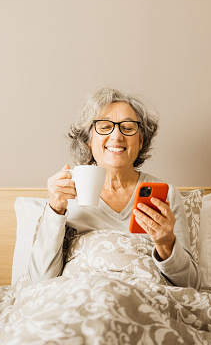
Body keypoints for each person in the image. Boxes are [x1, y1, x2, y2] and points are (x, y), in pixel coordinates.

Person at [28, 87, 201, 289]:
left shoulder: (165, 196)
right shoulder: (66, 195)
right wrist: (55, 211)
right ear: (88, 139)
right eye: (104, 126)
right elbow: (40, 282)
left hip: (145, 299)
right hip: (79, 297)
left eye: (127, 128)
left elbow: (192, 286)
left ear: (141, 139)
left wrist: (166, 243)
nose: (117, 136)